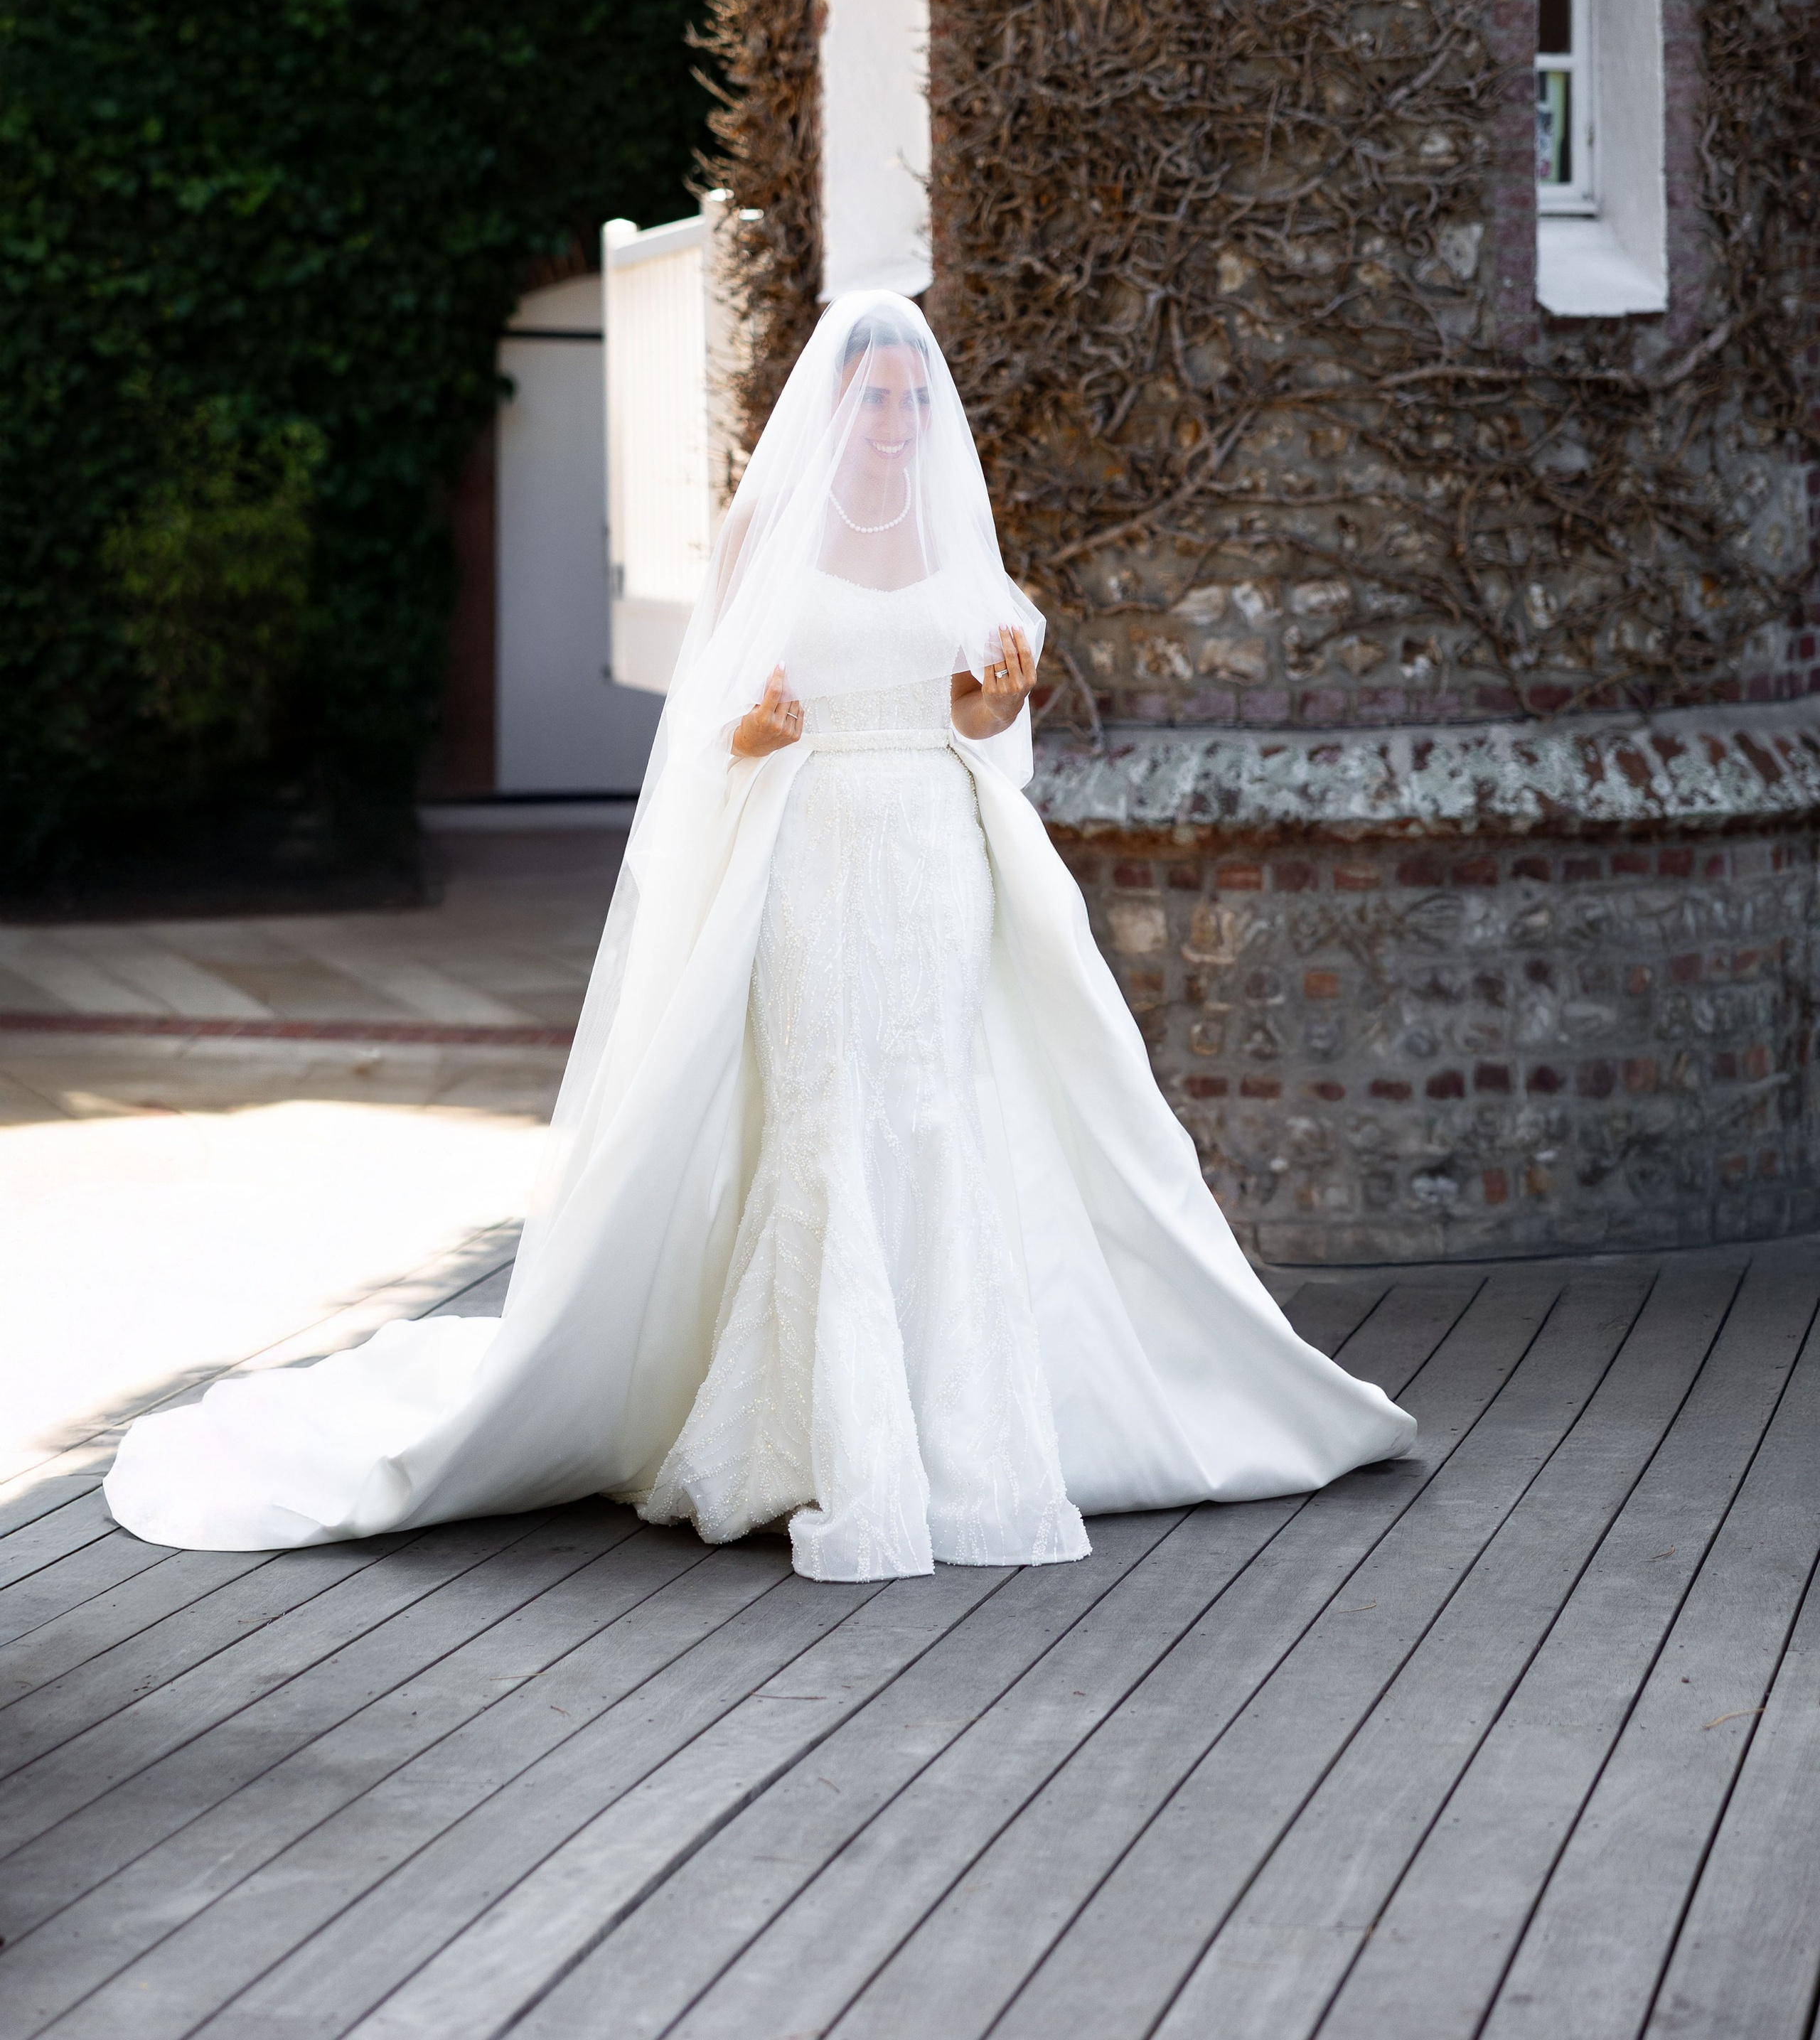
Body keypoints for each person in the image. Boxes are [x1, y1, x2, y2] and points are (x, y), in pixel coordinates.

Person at [105, 291, 1412, 1580]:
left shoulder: (954, 531)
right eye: (874, 397)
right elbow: (707, 735)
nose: (896, 420)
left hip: (933, 854)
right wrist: (761, 738)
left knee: (930, 1106)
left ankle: (950, 1432)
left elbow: (972, 715)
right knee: (827, 1108)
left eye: (912, 397)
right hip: (811, 853)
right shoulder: (761, 534)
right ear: (834, 404)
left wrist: (996, 696)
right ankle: (811, 1439)